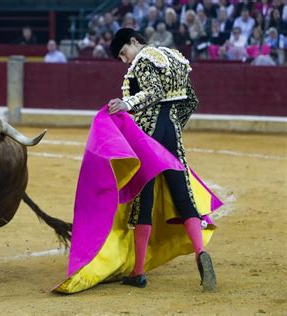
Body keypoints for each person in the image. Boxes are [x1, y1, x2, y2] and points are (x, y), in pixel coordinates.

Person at [106, 28, 217, 291]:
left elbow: (153, 91)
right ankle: (200, 252)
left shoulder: (144, 59)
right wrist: (173, 127)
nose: (125, 60)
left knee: (144, 198)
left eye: (124, 52)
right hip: (172, 132)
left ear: (134, 41)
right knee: (183, 196)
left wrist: (127, 104)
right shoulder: (175, 57)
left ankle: (138, 271)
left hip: (148, 133)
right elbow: (191, 100)